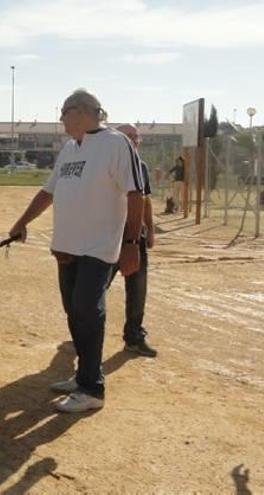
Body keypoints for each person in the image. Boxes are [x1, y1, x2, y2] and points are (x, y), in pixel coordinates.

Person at [9, 89, 144, 413]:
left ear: (83, 111)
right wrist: (21, 222)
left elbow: (135, 194)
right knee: (74, 311)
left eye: (64, 112)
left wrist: (131, 245)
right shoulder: (70, 148)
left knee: (88, 308)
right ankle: (85, 373)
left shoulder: (115, 143)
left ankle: (92, 390)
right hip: (66, 247)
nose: (60, 119)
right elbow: (48, 191)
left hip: (99, 247)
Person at [114, 124, 158, 357]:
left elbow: (145, 200)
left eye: (136, 137)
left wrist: (149, 230)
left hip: (135, 237)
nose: (133, 140)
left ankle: (134, 336)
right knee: (94, 289)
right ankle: (83, 333)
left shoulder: (141, 167)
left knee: (138, 289)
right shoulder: (107, 164)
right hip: (109, 236)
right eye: (127, 136)